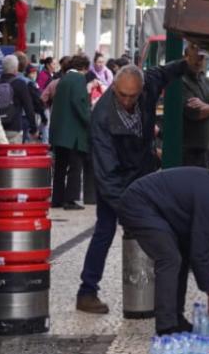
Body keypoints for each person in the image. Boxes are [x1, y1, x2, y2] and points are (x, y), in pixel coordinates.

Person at [77, 60, 192, 314]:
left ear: (141, 90)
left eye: (133, 96)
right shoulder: (102, 118)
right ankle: (86, 291)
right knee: (105, 230)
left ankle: (161, 287)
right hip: (115, 177)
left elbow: (164, 72)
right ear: (114, 88)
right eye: (121, 95)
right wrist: (129, 210)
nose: (127, 101)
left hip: (142, 170)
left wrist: (187, 63)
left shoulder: (147, 86)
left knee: (160, 224)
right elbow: (107, 177)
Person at [115, 166, 209, 334]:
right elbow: (200, 252)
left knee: (181, 254)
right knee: (170, 258)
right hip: (139, 204)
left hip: (158, 209)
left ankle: (176, 318)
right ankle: (166, 327)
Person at [52, 54, 93, 211]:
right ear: (83, 68)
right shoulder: (78, 79)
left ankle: (57, 198)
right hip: (74, 133)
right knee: (75, 167)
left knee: (60, 167)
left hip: (60, 132)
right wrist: (89, 120)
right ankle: (70, 199)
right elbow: (79, 102)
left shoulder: (63, 79)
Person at [180, 45, 209, 168]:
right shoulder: (181, 81)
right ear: (186, 57)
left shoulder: (206, 81)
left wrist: (207, 107)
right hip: (189, 151)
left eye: (202, 58)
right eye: (195, 57)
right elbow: (194, 112)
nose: (199, 61)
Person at [0, 53, 38, 143]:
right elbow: (28, 107)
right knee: (14, 155)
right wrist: (33, 128)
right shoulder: (20, 84)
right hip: (14, 128)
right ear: (16, 69)